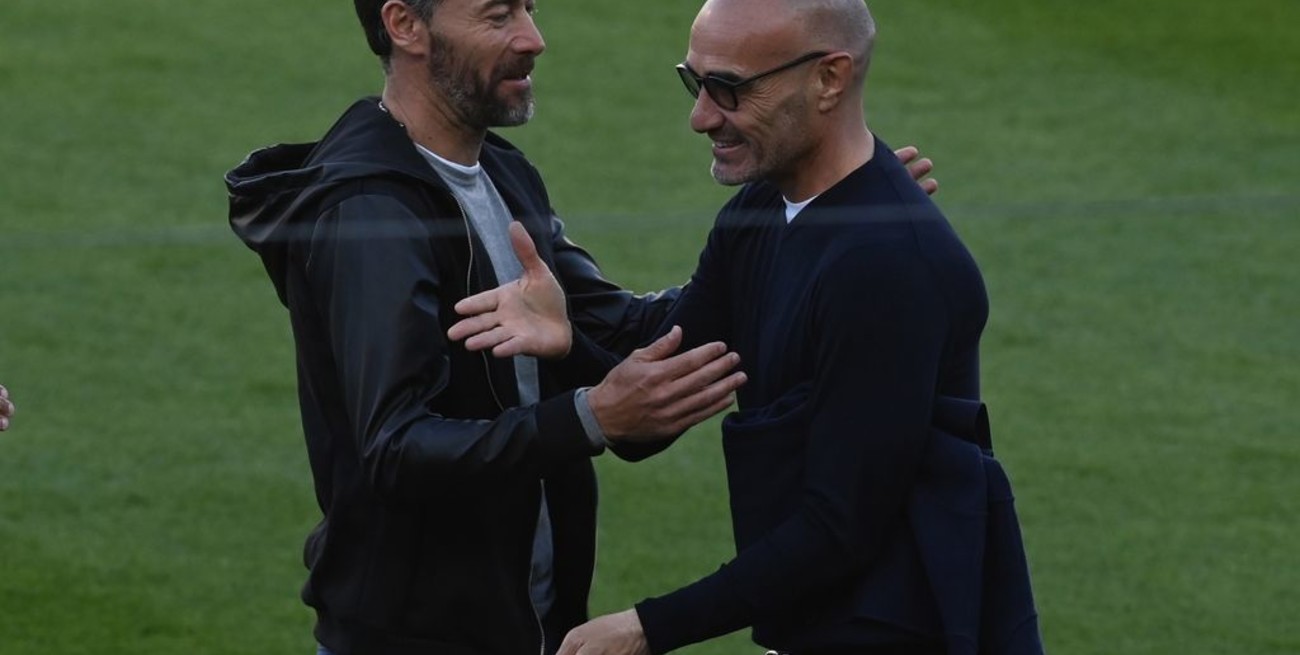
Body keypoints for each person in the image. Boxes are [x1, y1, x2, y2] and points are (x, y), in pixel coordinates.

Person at [450, 0, 1043, 653]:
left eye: (730, 88)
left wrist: (648, 626)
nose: (702, 116)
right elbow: (658, 406)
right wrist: (566, 344)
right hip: (815, 626)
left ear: (829, 78)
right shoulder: (761, 212)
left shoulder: (889, 265)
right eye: (695, 82)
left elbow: (840, 525)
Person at [225, 0, 751, 653]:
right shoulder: (371, 213)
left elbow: (628, 330)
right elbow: (395, 445)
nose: (534, 39)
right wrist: (589, 418)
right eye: (498, 15)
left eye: (530, 8)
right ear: (405, 25)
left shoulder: (502, 172)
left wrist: (790, 225)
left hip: (528, 628)